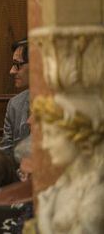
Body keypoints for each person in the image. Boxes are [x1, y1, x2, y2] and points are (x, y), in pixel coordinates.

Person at [34, 94, 104, 234]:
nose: (45, 145)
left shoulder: (96, 194)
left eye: (52, 134)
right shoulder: (58, 189)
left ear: (80, 136)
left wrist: (45, 222)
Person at [0, 38, 30, 160]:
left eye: (17, 65)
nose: (12, 71)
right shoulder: (15, 104)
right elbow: (5, 155)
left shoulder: (61, 102)